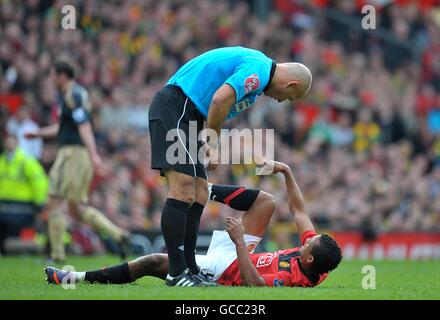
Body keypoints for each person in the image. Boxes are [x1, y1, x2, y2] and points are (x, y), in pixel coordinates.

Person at [148, 46, 313, 286]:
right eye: (287, 97)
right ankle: (177, 273)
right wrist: (211, 141)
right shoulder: (258, 69)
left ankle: (191, 269)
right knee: (183, 188)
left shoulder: (257, 80)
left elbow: (218, 102)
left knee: (200, 193)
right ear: (292, 84)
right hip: (178, 105)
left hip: (190, 115)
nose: (280, 100)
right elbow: (219, 98)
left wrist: (206, 138)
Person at [45, 161, 342, 288]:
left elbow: (256, 285)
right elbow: (299, 211)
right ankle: (204, 189)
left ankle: (75, 278)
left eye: (307, 244)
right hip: (242, 253)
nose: (304, 240)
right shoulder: (318, 259)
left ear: (310, 258)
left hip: (229, 268)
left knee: (153, 262)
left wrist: (239, 240)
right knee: (267, 202)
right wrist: (286, 172)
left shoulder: (294, 279)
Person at [25, 61, 130, 262]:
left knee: (53, 201)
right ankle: (119, 235)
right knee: (75, 208)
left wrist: (93, 155)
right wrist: (39, 133)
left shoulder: (72, 95)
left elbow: (84, 127)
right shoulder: (73, 94)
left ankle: (56, 256)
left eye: (53, 74)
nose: (51, 79)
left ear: (62, 75)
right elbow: (62, 127)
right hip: (77, 155)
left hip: (72, 155)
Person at [0, 133, 48, 253]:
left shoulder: (26, 160)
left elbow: (39, 181)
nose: (9, 144)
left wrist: (39, 202)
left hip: (22, 206)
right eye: (7, 141)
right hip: (4, 204)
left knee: (16, 233)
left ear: (17, 143)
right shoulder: (2, 161)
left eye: (12, 141)